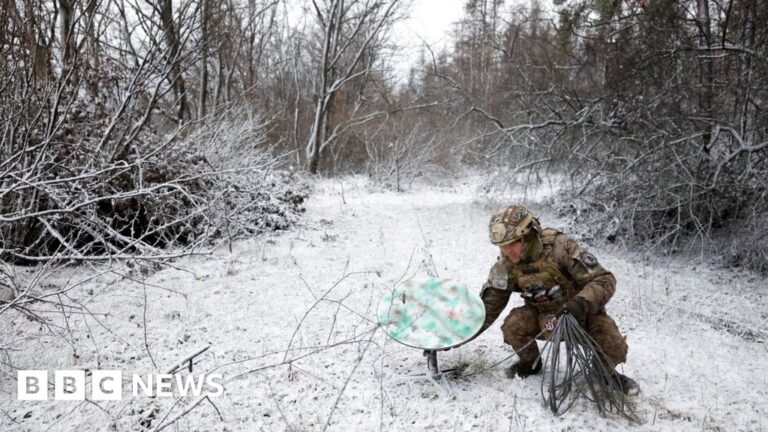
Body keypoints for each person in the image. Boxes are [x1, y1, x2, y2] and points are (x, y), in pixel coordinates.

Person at [478, 204, 640, 395]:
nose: (507, 251)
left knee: (613, 344)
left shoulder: (560, 247)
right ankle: (530, 364)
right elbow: (489, 306)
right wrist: (457, 335)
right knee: (514, 325)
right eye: (502, 246)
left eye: (513, 243)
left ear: (528, 236)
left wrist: (580, 304)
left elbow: (604, 279)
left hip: (580, 314)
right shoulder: (505, 264)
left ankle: (606, 374)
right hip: (543, 318)